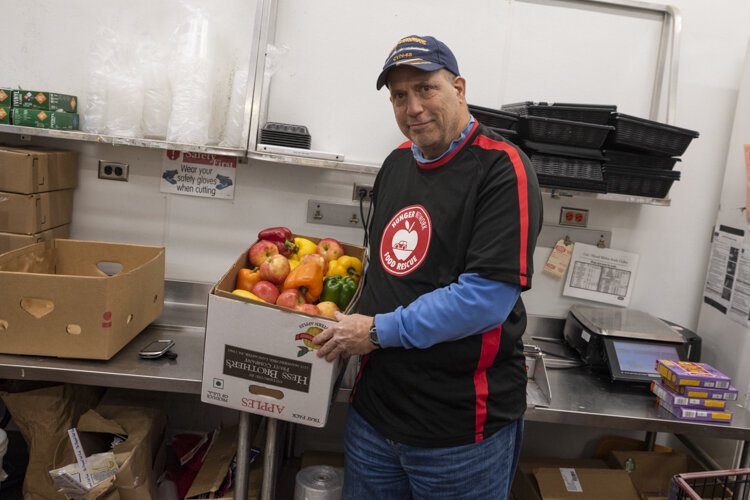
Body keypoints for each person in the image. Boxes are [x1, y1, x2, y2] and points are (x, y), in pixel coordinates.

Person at [312, 34, 543, 499]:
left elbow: (483, 300)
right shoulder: (396, 164)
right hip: (374, 420)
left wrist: (374, 332)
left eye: (425, 88)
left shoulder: (502, 169)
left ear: (459, 88)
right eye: (399, 95)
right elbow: (382, 270)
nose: (412, 107)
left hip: (459, 434)